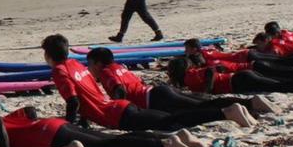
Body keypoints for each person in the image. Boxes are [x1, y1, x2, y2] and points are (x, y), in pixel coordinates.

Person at [42, 34, 255, 131]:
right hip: (144, 97)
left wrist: (71, 125)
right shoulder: (83, 66)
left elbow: (76, 100)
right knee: (189, 108)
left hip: (133, 106)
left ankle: (228, 112)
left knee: (174, 120)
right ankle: (241, 107)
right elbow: (88, 97)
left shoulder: (73, 72)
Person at [0, 97, 200, 147]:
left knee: (106, 146)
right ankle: (173, 137)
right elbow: (29, 111)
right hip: (51, 126)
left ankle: (164, 145)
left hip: (50, 135)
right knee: (109, 138)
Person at [86, 47, 277, 115]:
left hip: (155, 98)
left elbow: (119, 90)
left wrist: (116, 106)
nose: (90, 68)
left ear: (97, 63)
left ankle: (248, 103)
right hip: (157, 91)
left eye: (90, 64)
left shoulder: (105, 72)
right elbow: (134, 83)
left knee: (200, 106)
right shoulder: (120, 67)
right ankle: (249, 103)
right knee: (201, 102)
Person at [167, 56, 293, 95]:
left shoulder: (189, 76)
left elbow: (210, 71)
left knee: (281, 86)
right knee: (280, 83)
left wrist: (207, 91)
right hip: (240, 79)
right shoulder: (189, 77)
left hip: (239, 81)